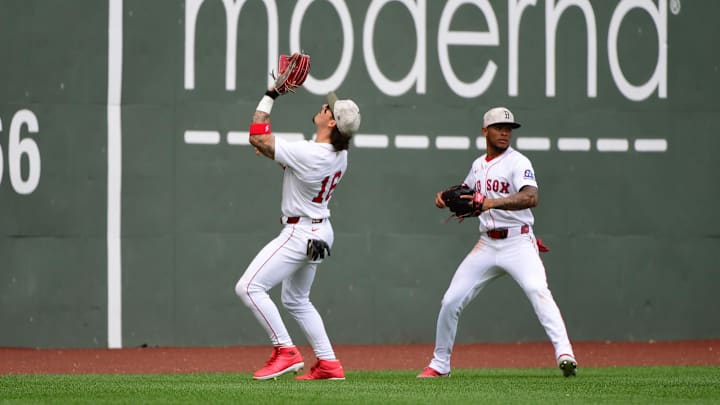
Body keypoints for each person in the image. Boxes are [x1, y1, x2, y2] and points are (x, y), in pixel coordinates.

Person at [417, 107, 577, 378]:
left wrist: (490, 202)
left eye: (509, 128)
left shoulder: (518, 162)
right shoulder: (479, 164)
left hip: (518, 241)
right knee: (451, 300)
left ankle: (565, 354)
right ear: (485, 131)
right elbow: (466, 192)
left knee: (537, 290)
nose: (505, 132)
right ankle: (440, 364)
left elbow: (531, 198)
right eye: (499, 127)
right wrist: (444, 196)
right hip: (487, 244)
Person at [235, 85, 361, 380]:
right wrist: (274, 152)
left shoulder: (311, 152)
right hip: (320, 230)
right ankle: (329, 363)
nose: (324, 106)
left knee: (249, 287)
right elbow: (296, 167)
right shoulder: (338, 154)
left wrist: (270, 94)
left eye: (328, 108)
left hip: (300, 232)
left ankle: (285, 351)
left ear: (332, 123)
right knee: (296, 300)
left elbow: (257, 136)